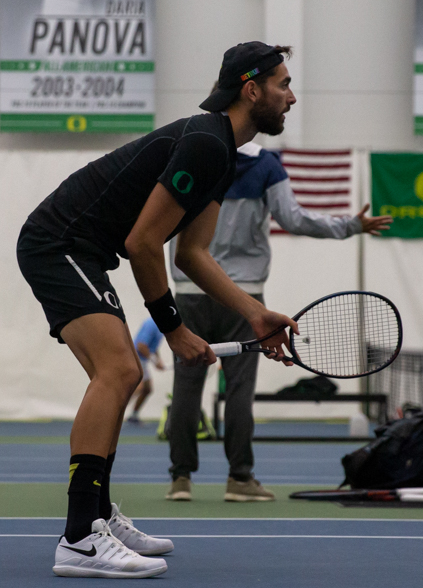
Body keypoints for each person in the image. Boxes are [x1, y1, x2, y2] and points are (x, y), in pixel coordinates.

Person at [17, 41, 298, 579]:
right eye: (283, 84)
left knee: (118, 375)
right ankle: (79, 538)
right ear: (251, 89)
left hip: (83, 251)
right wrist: (175, 330)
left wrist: (255, 313)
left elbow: (191, 254)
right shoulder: (204, 143)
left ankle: (95, 514)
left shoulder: (225, 159)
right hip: (58, 243)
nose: (292, 97)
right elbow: (144, 242)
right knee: (120, 370)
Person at [165, 145, 392, 502]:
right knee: (239, 388)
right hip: (244, 294)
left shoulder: (190, 153)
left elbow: (159, 217)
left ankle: (180, 479)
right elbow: (294, 218)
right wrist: (350, 225)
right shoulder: (265, 164)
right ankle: (239, 479)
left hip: (189, 289)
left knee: (187, 383)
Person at [127, 318, 165, 425]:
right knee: (140, 387)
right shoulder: (151, 324)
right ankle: (114, 412)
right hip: (135, 357)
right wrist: (154, 361)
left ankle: (133, 416)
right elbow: (141, 345)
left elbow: (152, 346)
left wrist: (158, 360)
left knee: (147, 389)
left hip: (141, 359)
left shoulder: (161, 326)